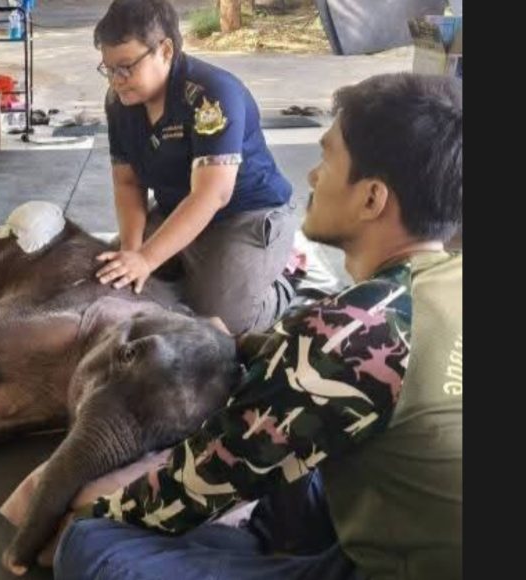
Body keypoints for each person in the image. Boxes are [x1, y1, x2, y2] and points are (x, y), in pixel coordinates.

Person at [53, 72, 462, 579]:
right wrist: (249, 345)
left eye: (328, 160)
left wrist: (89, 509)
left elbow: (181, 495)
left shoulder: (354, 330)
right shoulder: (448, 282)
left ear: (372, 199)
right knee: (294, 455)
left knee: (92, 546)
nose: (312, 176)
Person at [93, 0, 297, 335]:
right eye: (109, 68)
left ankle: (282, 281)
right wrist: (132, 251)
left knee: (221, 323)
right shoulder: (120, 103)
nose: (117, 81)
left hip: (243, 215)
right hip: (176, 210)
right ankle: (196, 271)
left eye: (126, 67)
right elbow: (128, 183)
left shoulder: (212, 95)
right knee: (110, 280)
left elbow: (212, 194)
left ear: (165, 50)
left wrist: (147, 259)